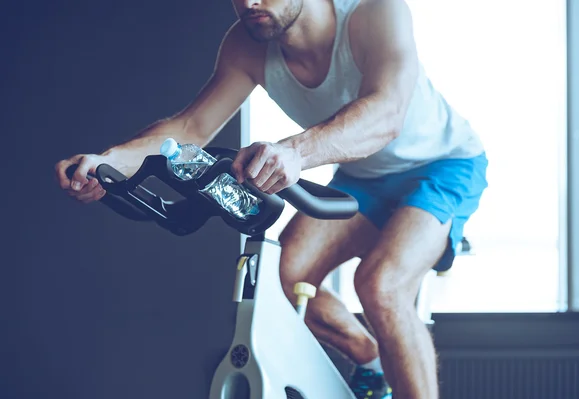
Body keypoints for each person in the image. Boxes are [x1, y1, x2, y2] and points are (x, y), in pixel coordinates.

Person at [55, 0, 488, 397]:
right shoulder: (245, 44)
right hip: (364, 175)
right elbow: (189, 130)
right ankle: (369, 356)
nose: (249, 2)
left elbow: (387, 112)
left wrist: (296, 152)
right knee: (280, 279)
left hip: (442, 163)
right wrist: (108, 160)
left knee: (381, 285)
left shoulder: (374, 12)